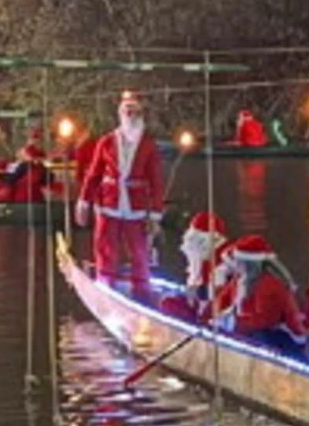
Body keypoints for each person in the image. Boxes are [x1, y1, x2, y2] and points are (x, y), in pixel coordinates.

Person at [75, 90, 166, 294]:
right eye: (127, 111)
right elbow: (94, 174)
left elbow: (156, 182)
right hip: (109, 202)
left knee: (139, 250)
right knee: (105, 246)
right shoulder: (106, 142)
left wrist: (155, 214)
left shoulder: (148, 145)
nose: (130, 115)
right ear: (120, 113)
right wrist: (83, 202)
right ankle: (105, 283)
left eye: (134, 111)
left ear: (140, 114)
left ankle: (141, 287)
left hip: (137, 205)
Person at [211, 235, 307, 355]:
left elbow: (265, 320)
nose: (235, 265)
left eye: (239, 262)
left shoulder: (269, 284)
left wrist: (234, 322)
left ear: (249, 265)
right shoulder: (240, 279)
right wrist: (217, 316)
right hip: (248, 331)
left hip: (274, 337)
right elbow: (223, 300)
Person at [159, 211, 227, 322]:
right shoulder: (199, 259)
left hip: (211, 313)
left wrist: (196, 293)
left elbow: (218, 292)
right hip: (198, 305)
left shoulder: (218, 263)